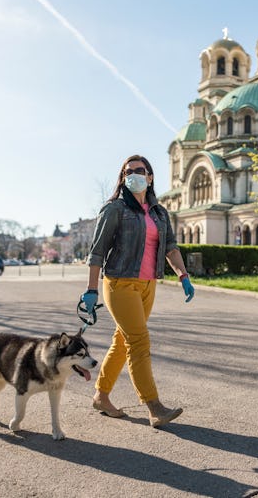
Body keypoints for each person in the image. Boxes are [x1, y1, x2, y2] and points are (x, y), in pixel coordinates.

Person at [80, 154, 194, 428]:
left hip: (147, 285)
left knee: (122, 341)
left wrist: (183, 275)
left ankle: (101, 396)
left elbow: (170, 248)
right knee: (139, 342)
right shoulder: (114, 209)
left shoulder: (159, 213)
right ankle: (154, 406)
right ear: (122, 178)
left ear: (150, 176)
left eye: (139, 170)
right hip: (119, 283)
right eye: (127, 172)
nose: (133, 175)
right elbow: (97, 252)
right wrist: (91, 289)